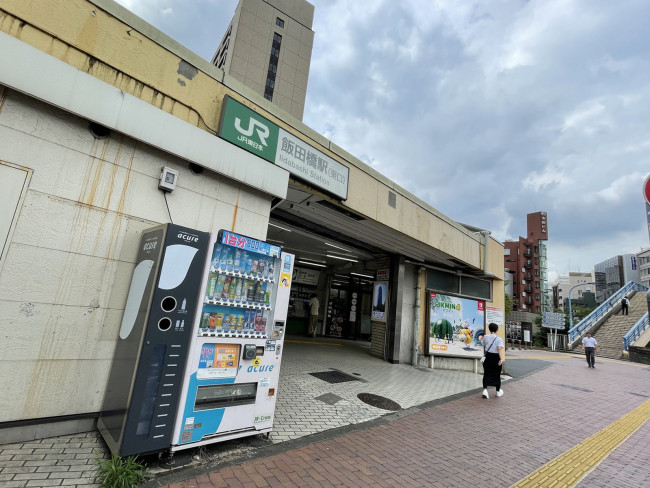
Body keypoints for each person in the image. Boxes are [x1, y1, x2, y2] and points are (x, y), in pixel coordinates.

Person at [481, 322, 505, 399]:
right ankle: (498, 391)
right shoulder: (499, 339)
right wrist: (501, 359)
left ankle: (485, 390)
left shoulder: (485, 337)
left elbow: (483, 345)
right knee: (497, 374)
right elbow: (499, 349)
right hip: (495, 357)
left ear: (489, 329)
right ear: (497, 330)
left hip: (487, 357)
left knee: (486, 373)